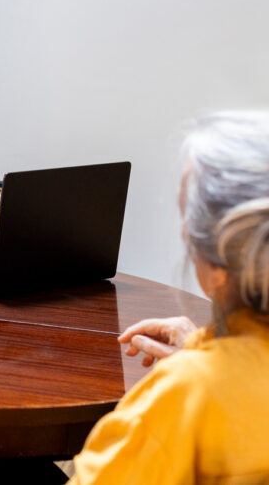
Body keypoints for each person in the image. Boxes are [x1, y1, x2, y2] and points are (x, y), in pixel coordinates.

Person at [64, 111, 269, 484]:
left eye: (187, 218)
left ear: (218, 263)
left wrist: (199, 369)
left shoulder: (186, 396)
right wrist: (205, 349)